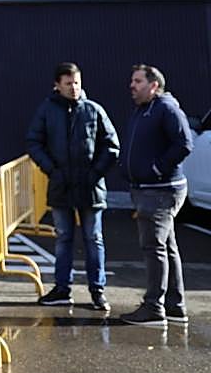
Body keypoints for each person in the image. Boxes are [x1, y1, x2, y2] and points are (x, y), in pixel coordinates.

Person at [25, 62, 120, 311]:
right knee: (63, 238)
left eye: (76, 82)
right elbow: (33, 142)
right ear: (57, 85)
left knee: (94, 239)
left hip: (90, 187)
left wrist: (95, 173)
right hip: (61, 186)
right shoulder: (47, 110)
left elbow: (111, 146)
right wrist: (52, 170)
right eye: (68, 83)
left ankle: (97, 291)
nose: (74, 88)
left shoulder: (93, 110)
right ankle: (62, 289)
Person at [118, 64, 194, 327]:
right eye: (132, 80)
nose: (132, 85)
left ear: (154, 85)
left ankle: (153, 307)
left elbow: (184, 144)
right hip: (149, 189)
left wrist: (157, 169)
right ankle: (175, 306)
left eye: (138, 81)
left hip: (160, 190)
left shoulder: (166, 108)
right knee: (166, 247)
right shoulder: (144, 109)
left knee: (154, 248)